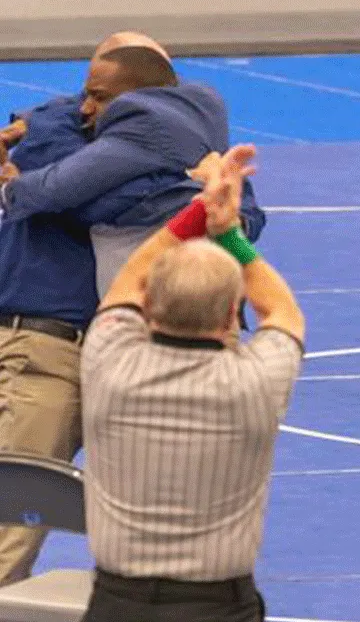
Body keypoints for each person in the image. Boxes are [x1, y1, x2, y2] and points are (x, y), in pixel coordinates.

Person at [80, 145, 304, 622]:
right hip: (218, 605)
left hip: (117, 603)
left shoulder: (108, 361)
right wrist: (229, 232)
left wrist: (199, 210)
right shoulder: (255, 383)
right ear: (231, 314)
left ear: (150, 308)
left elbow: (131, 276)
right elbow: (281, 310)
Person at [0, 95, 212, 586]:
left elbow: (243, 214)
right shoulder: (53, 155)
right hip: (46, 348)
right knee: (11, 525)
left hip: (104, 354)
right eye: (86, 98)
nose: (88, 107)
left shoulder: (52, 166)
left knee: (148, 524)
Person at [0, 31, 266, 296]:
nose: (84, 108)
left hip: (150, 307)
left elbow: (57, 190)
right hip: (213, 304)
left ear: (140, 94)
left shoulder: (137, 127)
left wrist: (9, 185)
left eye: (98, 96)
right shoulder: (200, 115)